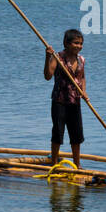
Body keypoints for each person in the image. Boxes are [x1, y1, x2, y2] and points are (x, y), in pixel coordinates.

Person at [44, 28, 87, 168]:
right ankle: (54, 163)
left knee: (77, 135)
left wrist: (84, 92)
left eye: (80, 43)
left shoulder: (81, 60)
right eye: (75, 43)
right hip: (60, 101)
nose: (79, 46)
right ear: (66, 43)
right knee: (58, 132)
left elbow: (82, 77)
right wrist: (47, 57)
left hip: (75, 101)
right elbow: (48, 76)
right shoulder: (58, 57)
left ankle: (77, 164)